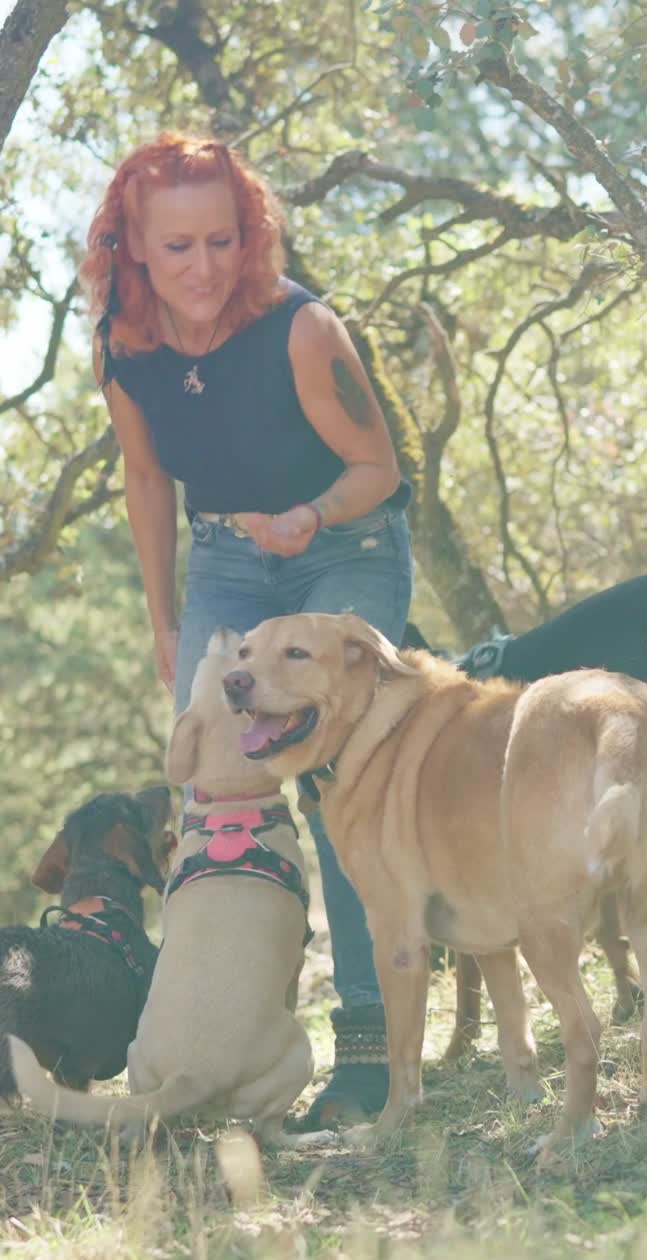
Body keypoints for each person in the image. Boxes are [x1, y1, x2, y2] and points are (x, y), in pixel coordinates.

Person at [81, 132, 413, 1129]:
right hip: (225, 555)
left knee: (336, 785)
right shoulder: (120, 343)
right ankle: (218, 1038)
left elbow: (380, 472)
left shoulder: (302, 328)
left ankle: (369, 1052)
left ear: (249, 231)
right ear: (131, 243)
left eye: (223, 239)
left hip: (341, 548)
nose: (204, 267)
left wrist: (308, 519)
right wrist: (165, 616)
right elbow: (147, 478)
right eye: (176, 246)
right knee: (206, 782)